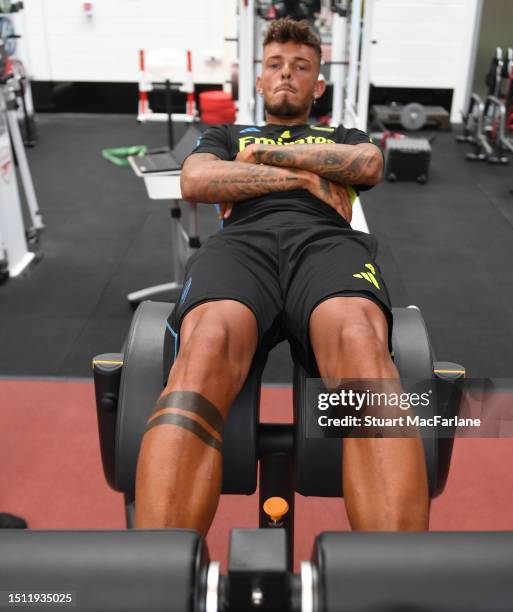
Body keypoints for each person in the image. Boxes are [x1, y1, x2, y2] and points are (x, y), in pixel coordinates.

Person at [135, 18, 429, 534]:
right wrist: (304, 177)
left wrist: (266, 156)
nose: (286, 75)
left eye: (300, 67)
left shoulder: (342, 135)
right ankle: (159, 573)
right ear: (259, 80)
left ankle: (397, 577)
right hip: (242, 247)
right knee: (203, 348)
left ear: (319, 85)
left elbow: (367, 163)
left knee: (361, 346)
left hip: (326, 245)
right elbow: (196, 178)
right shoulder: (227, 133)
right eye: (275, 65)